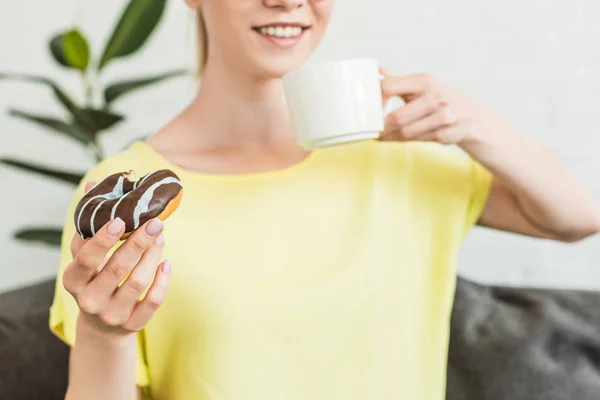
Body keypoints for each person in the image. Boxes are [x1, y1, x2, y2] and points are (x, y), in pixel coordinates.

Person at [49, 1, 600, 399]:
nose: (287, 1)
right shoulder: (123, 194)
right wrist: (104, 335)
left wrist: (473, 124)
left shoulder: (401, 157)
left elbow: (576, 218)